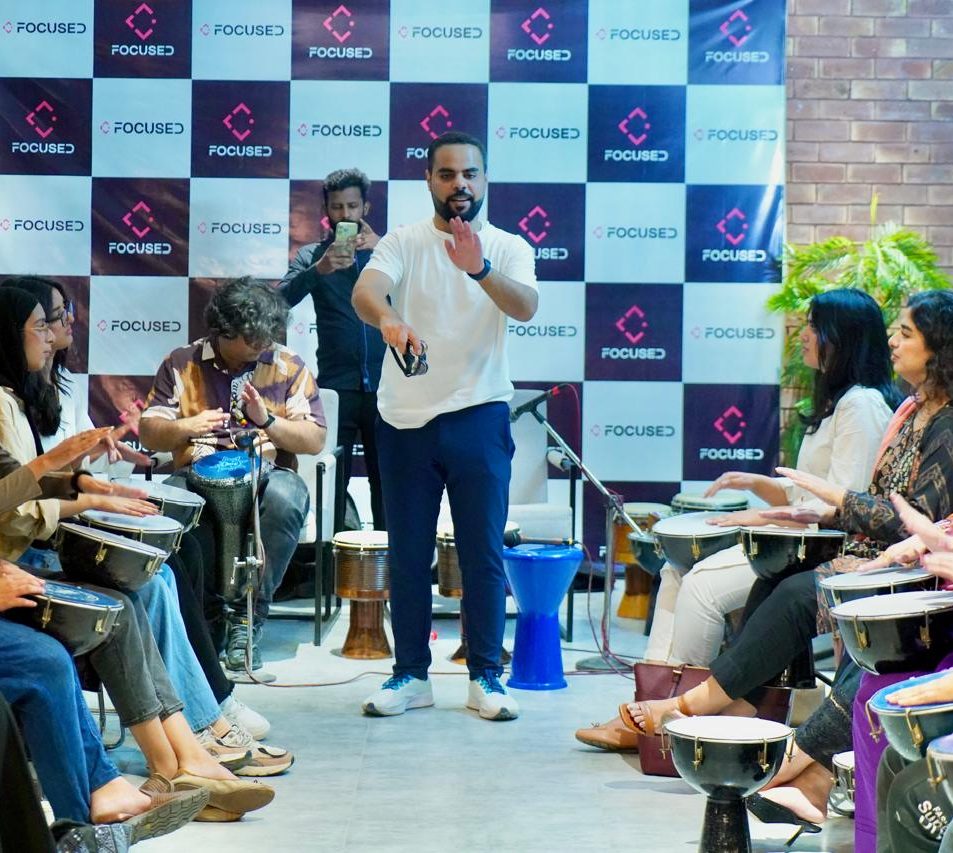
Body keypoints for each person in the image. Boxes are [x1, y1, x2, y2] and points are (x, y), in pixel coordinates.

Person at [618, 291, 953, 755]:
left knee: (794, 594)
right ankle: (741, 705)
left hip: (916, 573)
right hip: (871, 553)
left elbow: (916, 521)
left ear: (939, 348)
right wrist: (800, 506)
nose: (893, 340)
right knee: (772, 580)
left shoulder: (941, 423)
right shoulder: (912, 411)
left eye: (907, 332)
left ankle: (692, 703)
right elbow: (870, 503)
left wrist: (829, 504)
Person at [0, 287, 276, 821]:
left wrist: (99, 489)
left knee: (151, 585)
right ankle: (177, 753)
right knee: (119, 607)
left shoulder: (23, 393)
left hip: (21, 557)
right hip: (22, 558)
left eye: (53, 321)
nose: (55, 332)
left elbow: (24, 484)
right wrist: (83, 489)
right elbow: (14, 503)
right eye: (42, 324)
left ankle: (185, 753)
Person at [352, 131, 538, 720]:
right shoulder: (404, 242)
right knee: (407, 553)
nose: (461, 184)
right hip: (405, 419)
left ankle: (486, 674)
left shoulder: (506, 247)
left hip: (479, 413)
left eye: (471, 174)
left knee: (481, 552)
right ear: (430, 181)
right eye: (448, 174)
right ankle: (410, 674)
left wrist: (477, 268)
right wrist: (388, 320)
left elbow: (526, 306)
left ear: (485, 181)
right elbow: (367, 290)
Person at [139, 277, 326, 671]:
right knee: (175, 504)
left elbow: (313, 439)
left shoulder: (286, 365)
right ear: (222, 331)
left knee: (285, 499)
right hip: (195, 470)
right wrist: (188, 427)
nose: (261, 348)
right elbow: (149, 432)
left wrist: (268, 420)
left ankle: (247, 617)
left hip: (267, 473)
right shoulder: (182, 362)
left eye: (266, 338)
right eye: (251, 341)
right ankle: (201, 618)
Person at [279, 167, 387, 530]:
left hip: (387, 388)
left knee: (386, 484)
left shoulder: (390, 251)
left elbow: (426, 296)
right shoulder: (313, 255)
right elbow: (277, 302)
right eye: (337, 207)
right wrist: (319, 271)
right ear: (326, 209)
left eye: (352, 206)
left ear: (365, 207)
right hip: (337, 388)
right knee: (332, 485)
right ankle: (338, 571)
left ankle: (387, 573)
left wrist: (383, 248)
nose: (345, 215)